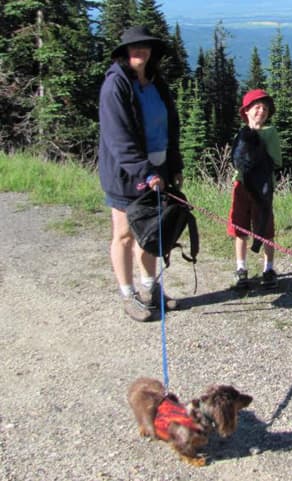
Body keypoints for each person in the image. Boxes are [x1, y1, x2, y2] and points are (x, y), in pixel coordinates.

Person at [98, 25, 183, 322]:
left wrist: (173, 166)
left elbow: (171, 127)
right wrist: (145, 172)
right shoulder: (116, 85)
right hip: (126, 173)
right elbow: (118, 138)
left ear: (152, 52)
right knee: (124, 234)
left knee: (149, 233)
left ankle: (151, 290)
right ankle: (128, 294)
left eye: (145, 46)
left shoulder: (157, 83)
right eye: (134, 47)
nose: (140, 51)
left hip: (157, 170)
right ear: (124, 52)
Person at [227, 89, 282, 289]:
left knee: (265, 227)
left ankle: (268, 269)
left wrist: (257, 157)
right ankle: (241, 269)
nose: (261, 111)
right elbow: (236, 161)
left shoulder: (270, 133)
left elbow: (277, 161)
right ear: (247, 111)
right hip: (240, 186)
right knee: (239, 227)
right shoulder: (241, 134)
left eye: (265, 108)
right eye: (256, 107)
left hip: (263, 188)